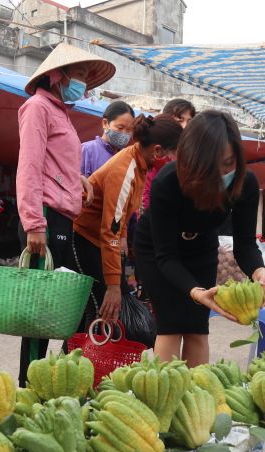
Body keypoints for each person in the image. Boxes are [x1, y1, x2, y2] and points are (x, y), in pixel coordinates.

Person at [134, 110, 265, 365]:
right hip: (157, 250)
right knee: (171, 325)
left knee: (197, 328)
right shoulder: (167, 182)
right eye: (213, 166)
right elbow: (166, 256)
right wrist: (195, 291)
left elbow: (244, 245)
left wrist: (258, 270)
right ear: (192, 160)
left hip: (202, 248)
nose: (223, 172)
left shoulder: (245, 184)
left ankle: (199, 393)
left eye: (229, 163)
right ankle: (162, 397)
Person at [16, 43, 115, 385]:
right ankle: (29, 384)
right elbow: (29, 165)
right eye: (80, 75)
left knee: (61, 307)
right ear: (57, 76)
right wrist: (33, 222)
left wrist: (79, 180)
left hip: (61, 216)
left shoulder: (60, 112)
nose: (85, 84)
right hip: (44, 216)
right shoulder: (37, 108)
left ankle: (53, 379)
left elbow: (53, 164)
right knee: (43, 312)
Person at [72, 114, 182, 326]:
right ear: (157, 150)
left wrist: (122, 238)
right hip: (84, 239)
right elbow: (110, 230)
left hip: (101, 242)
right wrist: (114, 286)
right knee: (99, 309)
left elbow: (119, 217)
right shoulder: (125, 170)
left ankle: (80, 358)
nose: (170, 160)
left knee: (101, 312)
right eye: (170, 154)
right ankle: (75, 358)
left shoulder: (139, 163)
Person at [141, 98, 197, 212]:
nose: (185, 126)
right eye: (179, 120)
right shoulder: (157, 150)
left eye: (189, 122)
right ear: (166, 120)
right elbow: (147, 191)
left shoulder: (192, 152)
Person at [81, 101, 135, 178]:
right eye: (120, 128)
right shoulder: (86, 150)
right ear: (105, 123)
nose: (124, 133)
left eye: (129, 130)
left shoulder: (128, 156)